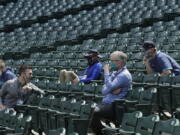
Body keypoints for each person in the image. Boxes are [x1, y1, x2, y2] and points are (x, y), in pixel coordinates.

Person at [90, 51, 132, 135]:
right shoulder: (115, 72)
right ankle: (102, 131)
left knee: (92, 111)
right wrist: (111, 89)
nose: (110, 63)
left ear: (120, 62)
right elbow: (104, 90)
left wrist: (106, 72)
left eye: (112, 61)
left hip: (115, 106)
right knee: (88, 108)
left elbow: (107, 89)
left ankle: (100, 132)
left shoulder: (123, 75)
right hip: (106, 103)